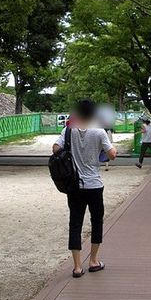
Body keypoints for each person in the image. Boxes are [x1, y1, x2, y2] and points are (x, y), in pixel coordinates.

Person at [53, 99, 116, 278]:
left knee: (75, 223)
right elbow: (112, 155)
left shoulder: (68, 130)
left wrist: (72, 155)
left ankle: (77, 267)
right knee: (97, 222)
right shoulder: (99, 131)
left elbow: (55, 148)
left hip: (74, 185)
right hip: (94, 185)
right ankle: (94, 261)